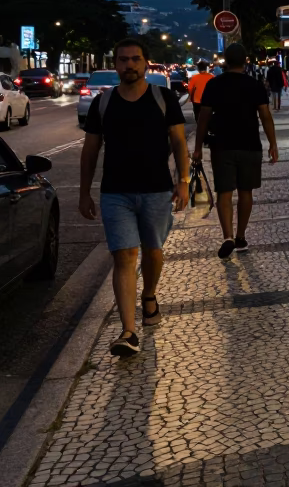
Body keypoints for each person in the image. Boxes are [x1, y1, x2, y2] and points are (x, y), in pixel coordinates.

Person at [79, 38, 189, 358]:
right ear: (115, 64)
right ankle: (128, 331)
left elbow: (179, 143)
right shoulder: (104, 103)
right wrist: (85, 191)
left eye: (135, 59)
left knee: (153, 253)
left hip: (156, 190)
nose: (129, 65)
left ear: (145, 63)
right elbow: (90, 150)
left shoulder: (163, 97)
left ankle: (150, 295)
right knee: (124, 257)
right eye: (123, 60)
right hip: (116, 192)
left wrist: (182, 182)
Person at [192, 42, 278, 258]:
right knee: (246, 191)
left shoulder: (214, 84)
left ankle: (227, 235)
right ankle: (241, 236)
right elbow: (265, 116)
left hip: (221, 145)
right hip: (250, 144)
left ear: (225, 61)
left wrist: (197, 148)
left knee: (224, 192)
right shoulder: (255, 85)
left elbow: (203, 118)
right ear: (245, 60)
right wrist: (273, 143)